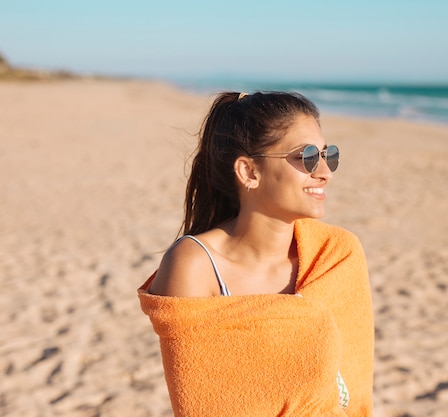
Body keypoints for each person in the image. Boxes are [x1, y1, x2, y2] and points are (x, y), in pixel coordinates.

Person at [138, 91, 374, 416]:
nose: (324, 172)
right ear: (249, 172)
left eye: (327, 155)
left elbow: (354, 388)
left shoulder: (335, 255)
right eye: (306, 157)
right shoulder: (195, 265)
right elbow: (198, 405)